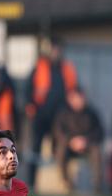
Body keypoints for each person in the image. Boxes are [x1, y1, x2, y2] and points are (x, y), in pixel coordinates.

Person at [26, 37, 78, 185]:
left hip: (60, 117)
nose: (56, 52)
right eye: (53, 49)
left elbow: (74, 90)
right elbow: (29, 89)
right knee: (35, 148)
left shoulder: (67, 69)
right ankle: (31, 183)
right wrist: (30, 107)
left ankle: (64, 182)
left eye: (58, 49)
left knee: (61, 148)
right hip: (41, 116)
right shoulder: (39, 67)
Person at [52, 90, 104, 194]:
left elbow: (99, 131)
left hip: (87, 145)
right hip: (69, 146)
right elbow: (58, 131)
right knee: (60, 150)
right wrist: (71, 141)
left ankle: (97, 186)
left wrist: (86, 140)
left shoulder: (91, 113)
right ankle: (67, 183)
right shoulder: (63, 113)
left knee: (96, 151)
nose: (78, 101)